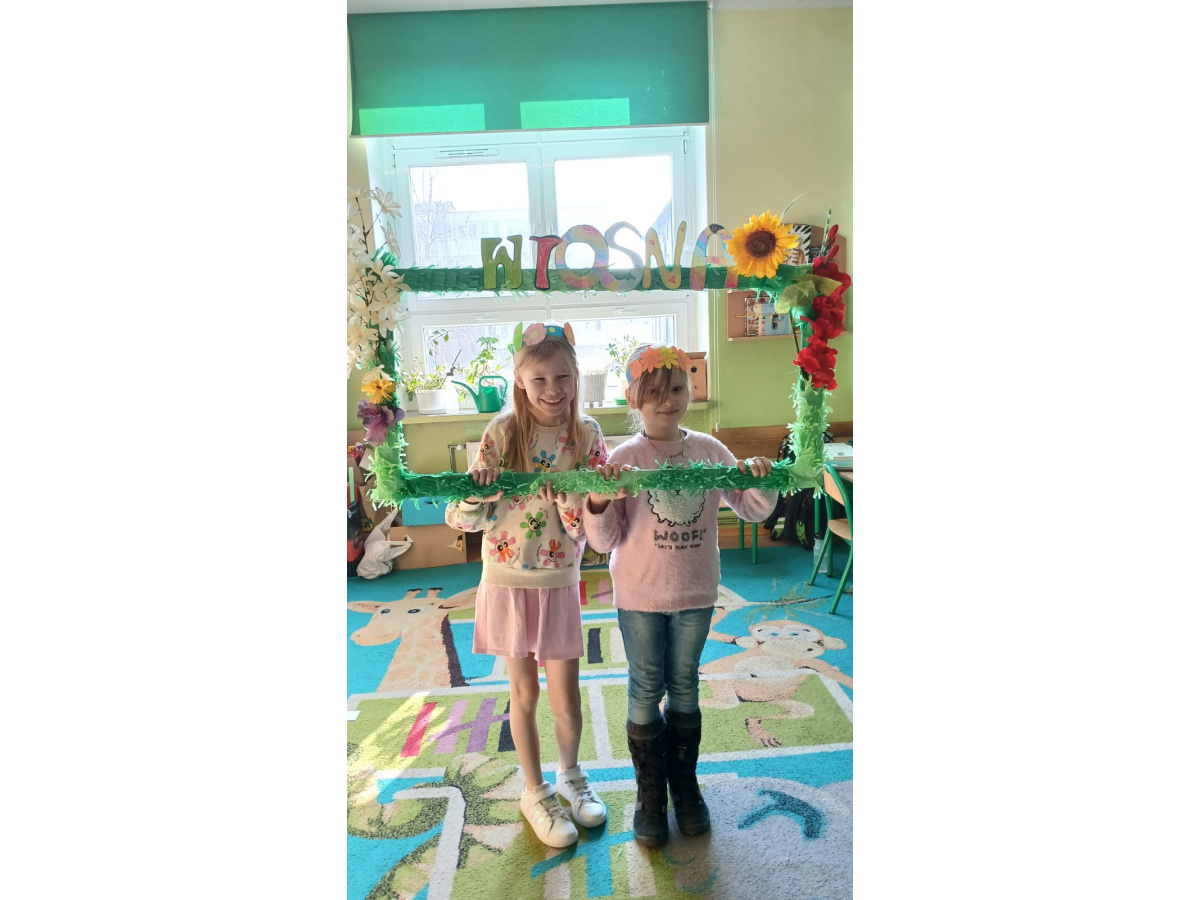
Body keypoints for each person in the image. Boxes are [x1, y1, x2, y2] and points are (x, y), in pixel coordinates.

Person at [582, 343, 778, 847]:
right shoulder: (623, 459)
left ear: (690, 390)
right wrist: (599, 500)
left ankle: (684, 788)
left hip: (695, 592)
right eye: (654, 393)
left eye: (676, 389)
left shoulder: (710, 450)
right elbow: (604, 541)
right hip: (639, 596)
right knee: (646, 686)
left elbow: (752, 509)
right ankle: (651, 796)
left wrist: (762, 479)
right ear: (634, 400)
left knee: (685, 683)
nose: (667, 401)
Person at [445, 321, 609, 849]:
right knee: (523, 692)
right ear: (518, 379)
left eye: (563, 377)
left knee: (565, 697)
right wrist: (479, 493)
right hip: (506, 578)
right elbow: (461, 518)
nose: (553, 390)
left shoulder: (587, 435)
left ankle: (571, 776)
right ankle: (534, 789)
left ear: (577, 377)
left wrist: (567, 499)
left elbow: (590, 529)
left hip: (559, 579)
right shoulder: (500, 433)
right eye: (539, 379)